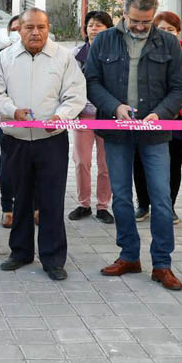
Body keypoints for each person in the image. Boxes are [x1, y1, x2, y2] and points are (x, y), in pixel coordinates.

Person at [84, 0, 182, 291]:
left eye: (147, 22)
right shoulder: (104, 40)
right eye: (135, 21)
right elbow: (90, 81)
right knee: (121, 197)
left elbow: (180, 89)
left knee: (161, 198)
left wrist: (160, 114)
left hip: (155, 134)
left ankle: (162, 264)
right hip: (117, 132)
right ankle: (129, 255)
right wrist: (114, 107)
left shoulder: (169, 43)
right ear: (124, 12)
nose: (141, 27)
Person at [0, 8, 87, 281]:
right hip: (16, 139)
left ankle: (53, 258)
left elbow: (76, 95)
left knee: (51, 200)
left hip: (50, 140)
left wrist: (61, 117)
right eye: (29, 27)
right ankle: (20, 252)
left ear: (48, 27)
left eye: (41, 27)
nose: (35, 32)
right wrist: (12, 110)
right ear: (18, 29)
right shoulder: (5, 57)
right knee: (21, 199)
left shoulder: (64, 57)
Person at [133, 11, 182, 225]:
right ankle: (143, 204)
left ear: (178, 32)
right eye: (162, 29)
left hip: (177, 120)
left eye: (171, 30)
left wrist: (170, 110)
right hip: (146, 118)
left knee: (171, 165)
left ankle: (169, 205)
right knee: (140, 161)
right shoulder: (142, 51)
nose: (166, 34)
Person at [68, 11, 115, 224]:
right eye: (90, 25)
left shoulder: (116, 53)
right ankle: (83, 203)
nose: (94, 29)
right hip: (83, 115)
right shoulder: (76, 54)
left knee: (106, 164)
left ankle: (103, 205)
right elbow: (69, 85)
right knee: (81, 162)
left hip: (108, 116)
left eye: (99, 25)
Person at [0, 15, 22, 227]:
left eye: (23, 28)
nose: (19, 32)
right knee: (8, 163)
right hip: (8, 119)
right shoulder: (0, 55)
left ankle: (36, 207)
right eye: (15, 28)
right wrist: (7, 112)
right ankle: (7, 208)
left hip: (36, 123)